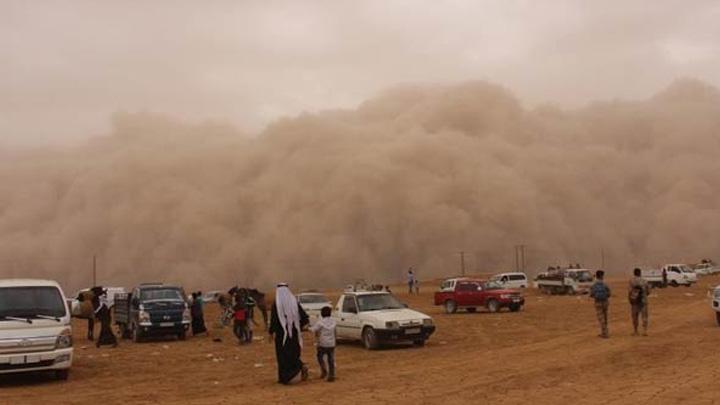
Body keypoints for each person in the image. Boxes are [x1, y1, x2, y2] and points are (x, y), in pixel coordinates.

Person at [268, 283, 310, 385]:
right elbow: (304, 318)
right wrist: (297, 327)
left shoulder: (277, 304)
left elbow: (274, 320)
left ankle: (284, 378)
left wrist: (271, 332)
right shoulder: (294, 302)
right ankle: (299, 367)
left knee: (282, 356)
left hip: (282, 336)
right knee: (293, 353)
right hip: (294, 335)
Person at [310, 306, 337, 382]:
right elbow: (335, 332)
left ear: (322, 314)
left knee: (319, 357)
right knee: (331, 359)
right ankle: (332, 375)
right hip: (331, 343)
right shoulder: (334, 321)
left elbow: (313, 329)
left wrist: (307, 327)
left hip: (323, 343)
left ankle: (324, 370)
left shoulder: (320, 322)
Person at [589, 270, 611, 338]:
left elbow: (591, 294)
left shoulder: (594, 284)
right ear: (602, 276)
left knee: (601, 318)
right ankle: (605, 332)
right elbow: (609, 293)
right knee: (605, 317)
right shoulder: (605, 284)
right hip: (605, 302)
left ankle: (604, 333)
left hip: (598, 302)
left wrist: (596, 296)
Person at [628, 268, 650, 336]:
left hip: (635, 302)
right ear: (640, 273)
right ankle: (645, 331)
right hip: (643, 301)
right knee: (644, 316)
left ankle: (635, 331)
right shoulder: (644, 281)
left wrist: (630, 299)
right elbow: (648, 292)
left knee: (635, 317)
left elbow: (629, 291)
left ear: (634, 273)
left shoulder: (631, 281)